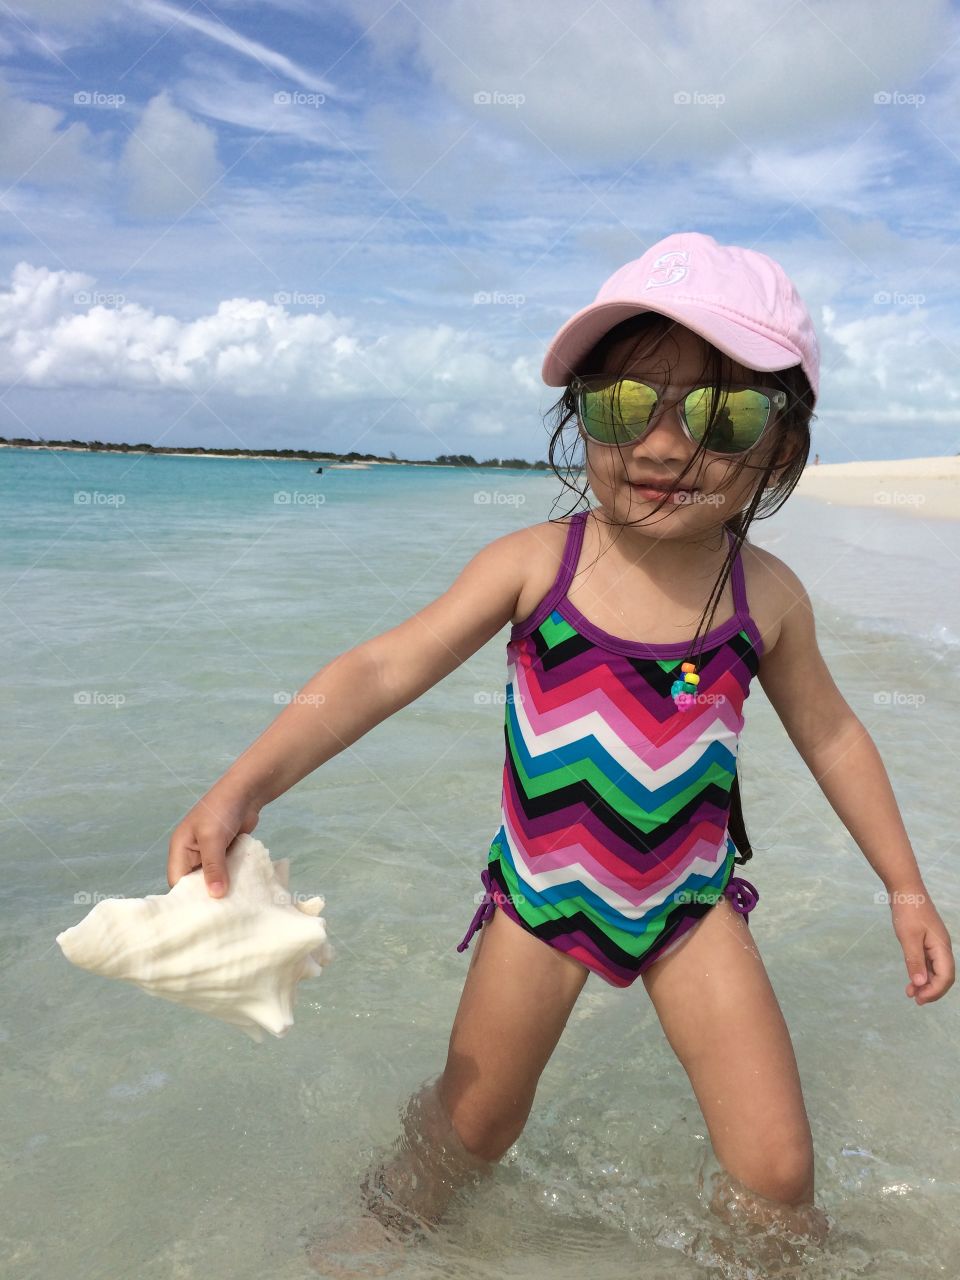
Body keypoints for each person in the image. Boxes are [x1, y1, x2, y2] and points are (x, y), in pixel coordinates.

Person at [167, 231, 954, 1269]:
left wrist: (903, 884)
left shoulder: (767, 596)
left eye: (722, 417)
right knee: (474, 1122)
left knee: (776, 1169)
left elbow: (835, 733)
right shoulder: (538, 564)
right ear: (581, 413)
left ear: (783, 448)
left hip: (691, 902)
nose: (665, 446)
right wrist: (242, 787)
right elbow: (380, 669)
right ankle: (379, 1227)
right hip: (544, 900)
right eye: (626, 406)